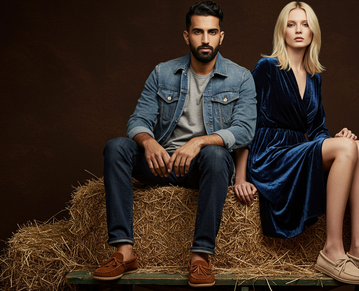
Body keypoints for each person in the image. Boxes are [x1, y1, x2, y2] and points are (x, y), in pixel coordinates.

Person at [93, 1, 257, 287]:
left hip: (204, 168)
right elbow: (138, 120)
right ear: (186, 36)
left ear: (221, 36)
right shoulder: (163, 73)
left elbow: (244, 131)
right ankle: (124, 250)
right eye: (198, 32)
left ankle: (200, 257)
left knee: (218, 155)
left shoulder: (241, 77)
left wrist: (200, 142)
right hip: (162, 164)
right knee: (117, 146)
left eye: (211, 32)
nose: (205, 39)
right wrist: (148, 142)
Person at [234, 1, 359, 285]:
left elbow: (317, 129)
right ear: (281, 31)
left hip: (298, 150)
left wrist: (339, 138)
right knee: (347, 148)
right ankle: (332, 250)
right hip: (270, 155)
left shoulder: (314, 78)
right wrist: (240, 176)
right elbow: (246, 122)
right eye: (291, 24)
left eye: (305, 24)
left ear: (313, 32)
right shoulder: (267, 68)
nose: (299, 30)